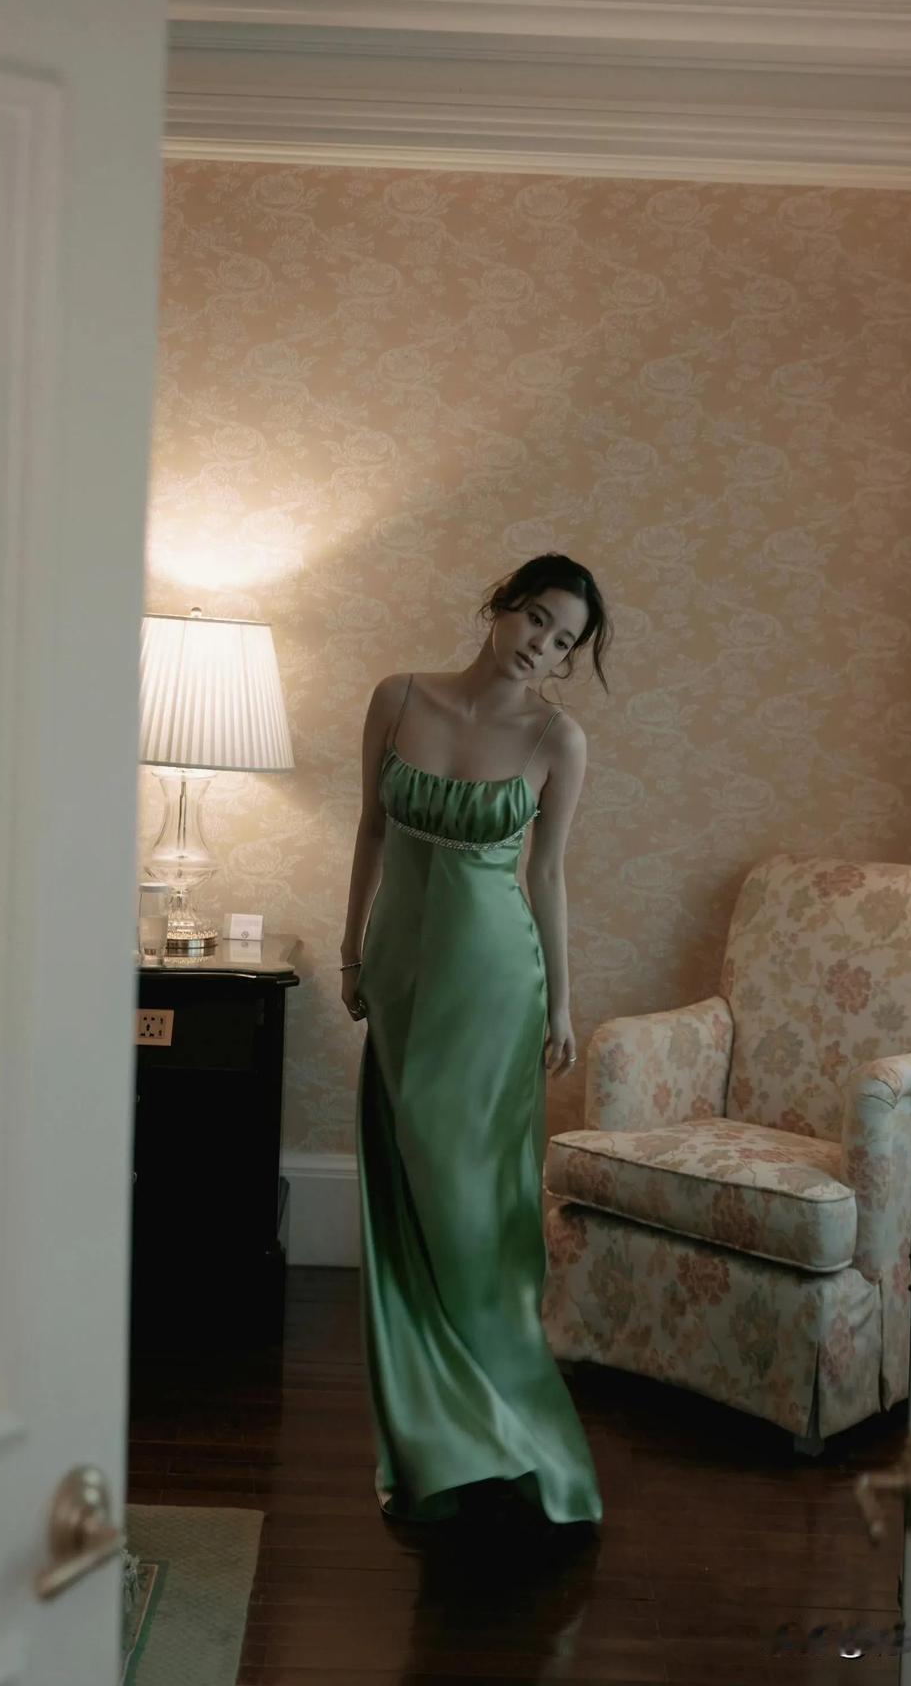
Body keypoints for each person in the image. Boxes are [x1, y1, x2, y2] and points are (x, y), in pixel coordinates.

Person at [340, 553, 613, 1529]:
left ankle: (519, 1439)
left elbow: (547, 876)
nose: (541, 645)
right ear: (498, 606)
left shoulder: (556, 738)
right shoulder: (397, 697)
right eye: (534, 618)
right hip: (399, 972)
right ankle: (431, 1436)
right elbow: (371, 831)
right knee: (408, 1191)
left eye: (562, 639)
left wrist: (562, 1005)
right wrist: (349, 949)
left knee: (474, 1208)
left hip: (494, 986)